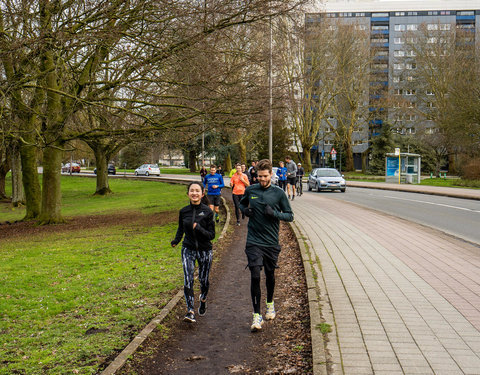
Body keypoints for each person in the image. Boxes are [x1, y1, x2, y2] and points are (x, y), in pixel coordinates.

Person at [239, 159, 294, 332]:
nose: (262, 179)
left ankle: (270, 303)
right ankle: (257, 315)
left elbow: (290, 215)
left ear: (271, 174)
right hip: (253, 240)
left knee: (269, 275)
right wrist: (245, 210)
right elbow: (242, 202)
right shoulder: (251, 190)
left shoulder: (278, 193)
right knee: (255, 275)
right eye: (259, 176)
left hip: (271, 242)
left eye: (265, 176)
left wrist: (274, 214)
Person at [171, 182, 215, 323]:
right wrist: (176, 240)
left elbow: (211, 235)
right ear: (188, 193)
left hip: (204, 250)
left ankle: (203, 299)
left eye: (197, 191)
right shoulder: (183, 211)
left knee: (203, 280)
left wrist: (198, 228)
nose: (194, 193)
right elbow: (181, 229)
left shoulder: (208, 212)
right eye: (192, 191)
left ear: (202, 194)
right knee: (188, 278)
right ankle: (190, 310)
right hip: (188, 248)